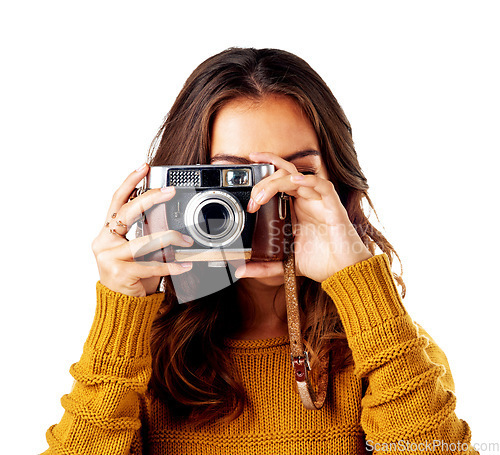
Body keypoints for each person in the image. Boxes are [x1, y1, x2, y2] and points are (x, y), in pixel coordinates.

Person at [42, 48, 477, 454]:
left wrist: (365, 291)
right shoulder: (138, 357)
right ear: (175, 192)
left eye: (296, 176)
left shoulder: (393, 350)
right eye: (234, 180)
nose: (266, 204)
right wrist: (121, 316)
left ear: (337, 184)